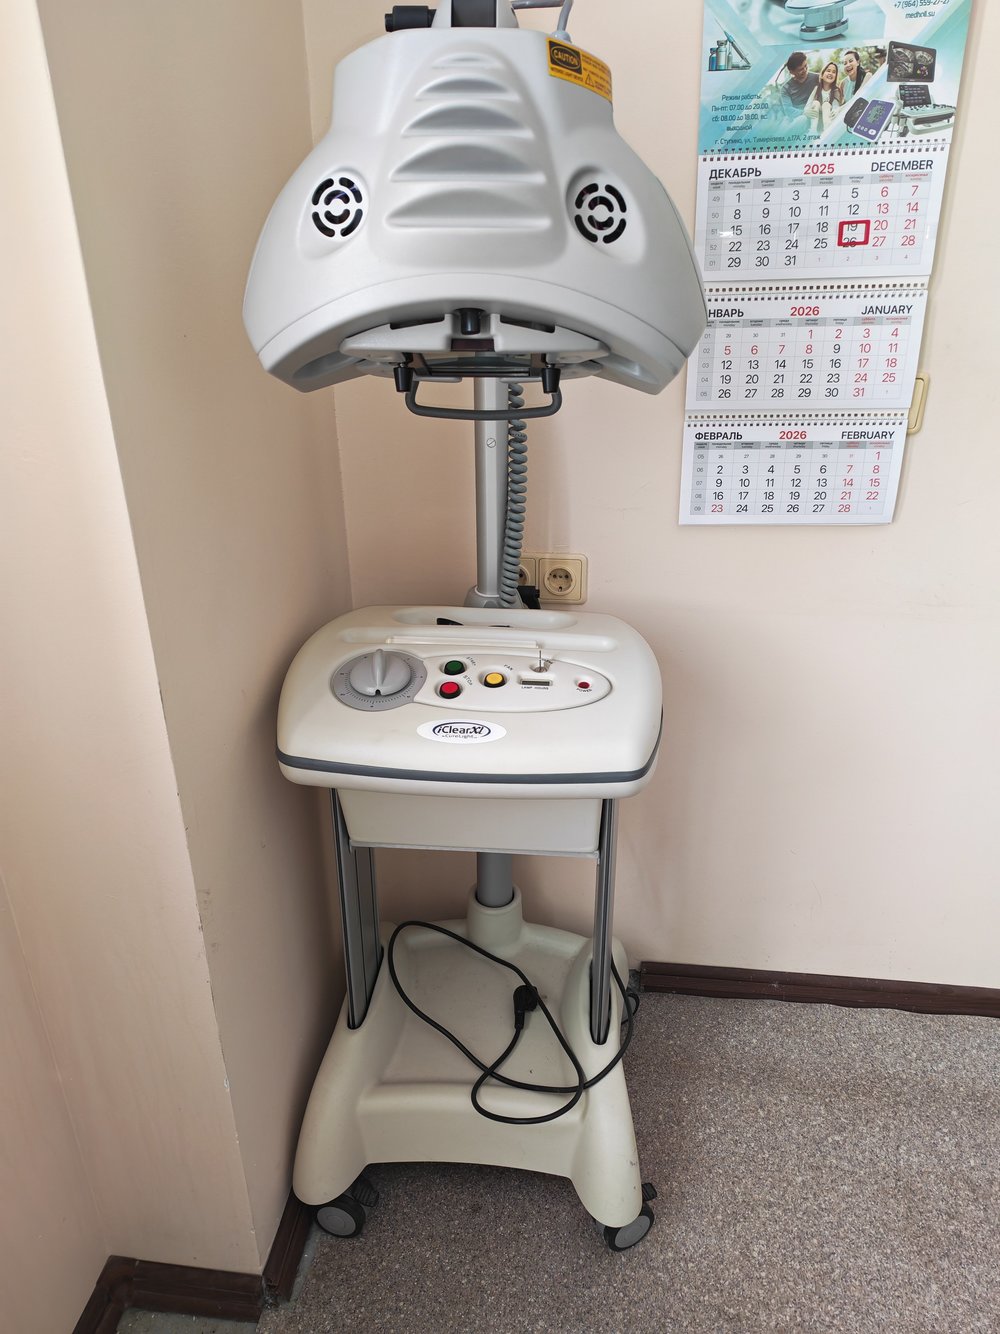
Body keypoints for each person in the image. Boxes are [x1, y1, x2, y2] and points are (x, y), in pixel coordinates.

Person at [805, 61, 844, 135]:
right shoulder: (817, 88)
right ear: (822, 75)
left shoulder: (836, 90)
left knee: (826, 104)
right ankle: (812, 131)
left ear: (835, 76)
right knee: (815, 102)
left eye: (834, 72)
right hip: (817, 112)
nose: (830, 73)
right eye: (828, 71)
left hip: (829, 114)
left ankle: (827, 129)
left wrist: (835, 111)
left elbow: (835, 106)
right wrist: (806, 110)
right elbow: (808, 104)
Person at [781, 51, 819, 118]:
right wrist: (803, 112)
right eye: (800, 69)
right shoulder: (786, 88)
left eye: (805, 66)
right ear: (792, 72)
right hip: (798, 117)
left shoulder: (817, 78)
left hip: (815, 111)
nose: (805, 70)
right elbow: (788, 110)